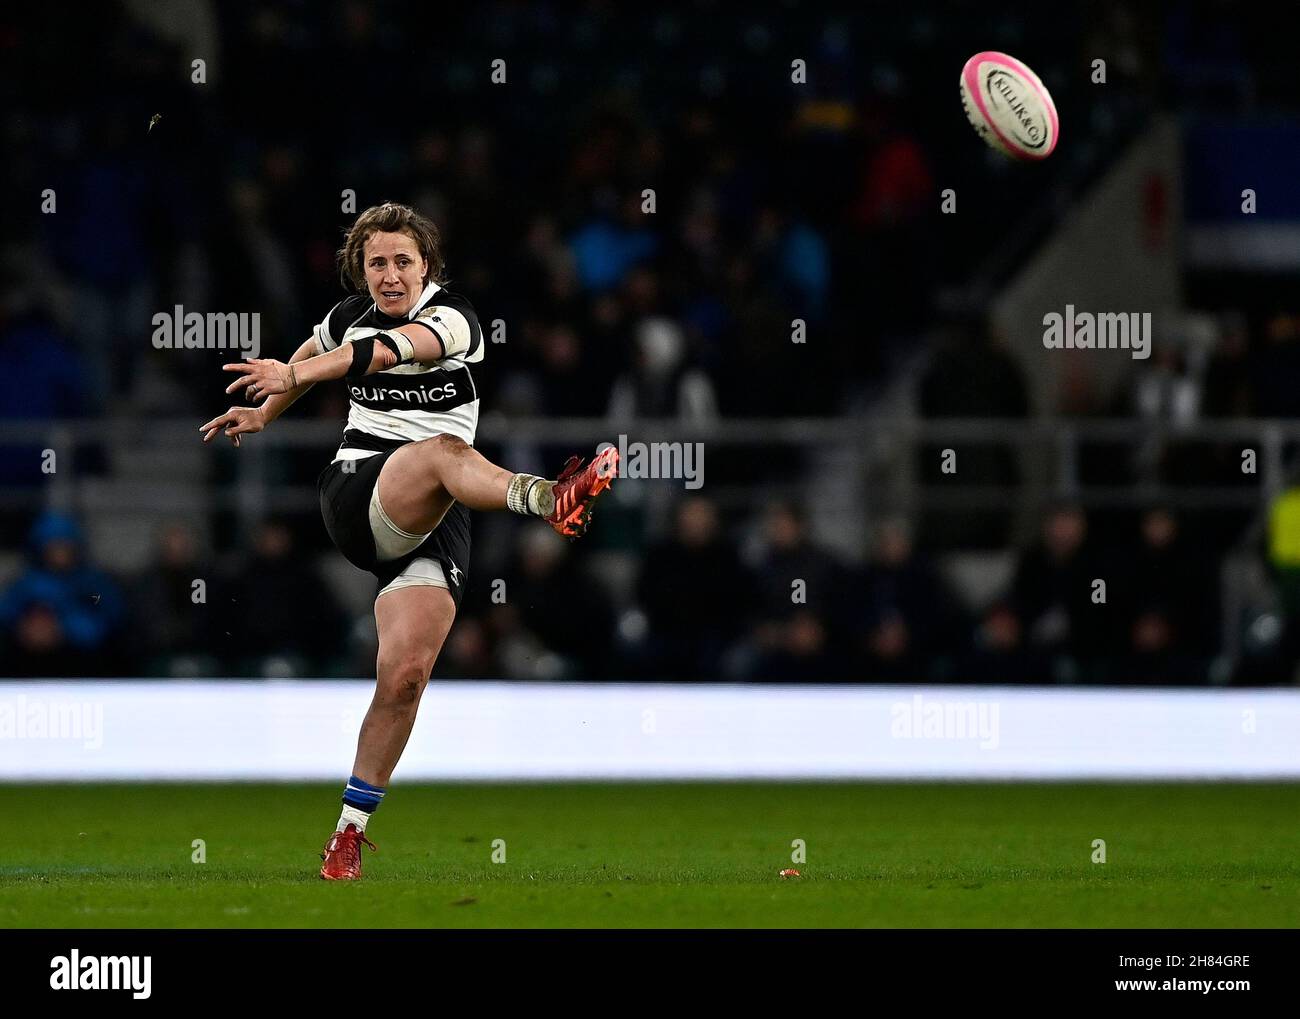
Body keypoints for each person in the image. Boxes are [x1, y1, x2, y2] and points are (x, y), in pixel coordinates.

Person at [200, 203, 618, 879]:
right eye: (376, 263)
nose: (390, 275)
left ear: (427, 266)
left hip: (436, 513)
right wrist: (266, 410)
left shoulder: (454, 319)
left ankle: (346, 834)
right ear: (359, 270)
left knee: (404, 676)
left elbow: (384, 351)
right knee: (442, 449)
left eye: (402, 261)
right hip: (360, 491)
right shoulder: (346, 318)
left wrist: (295, 376)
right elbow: (310, 355)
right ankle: (548, 497)